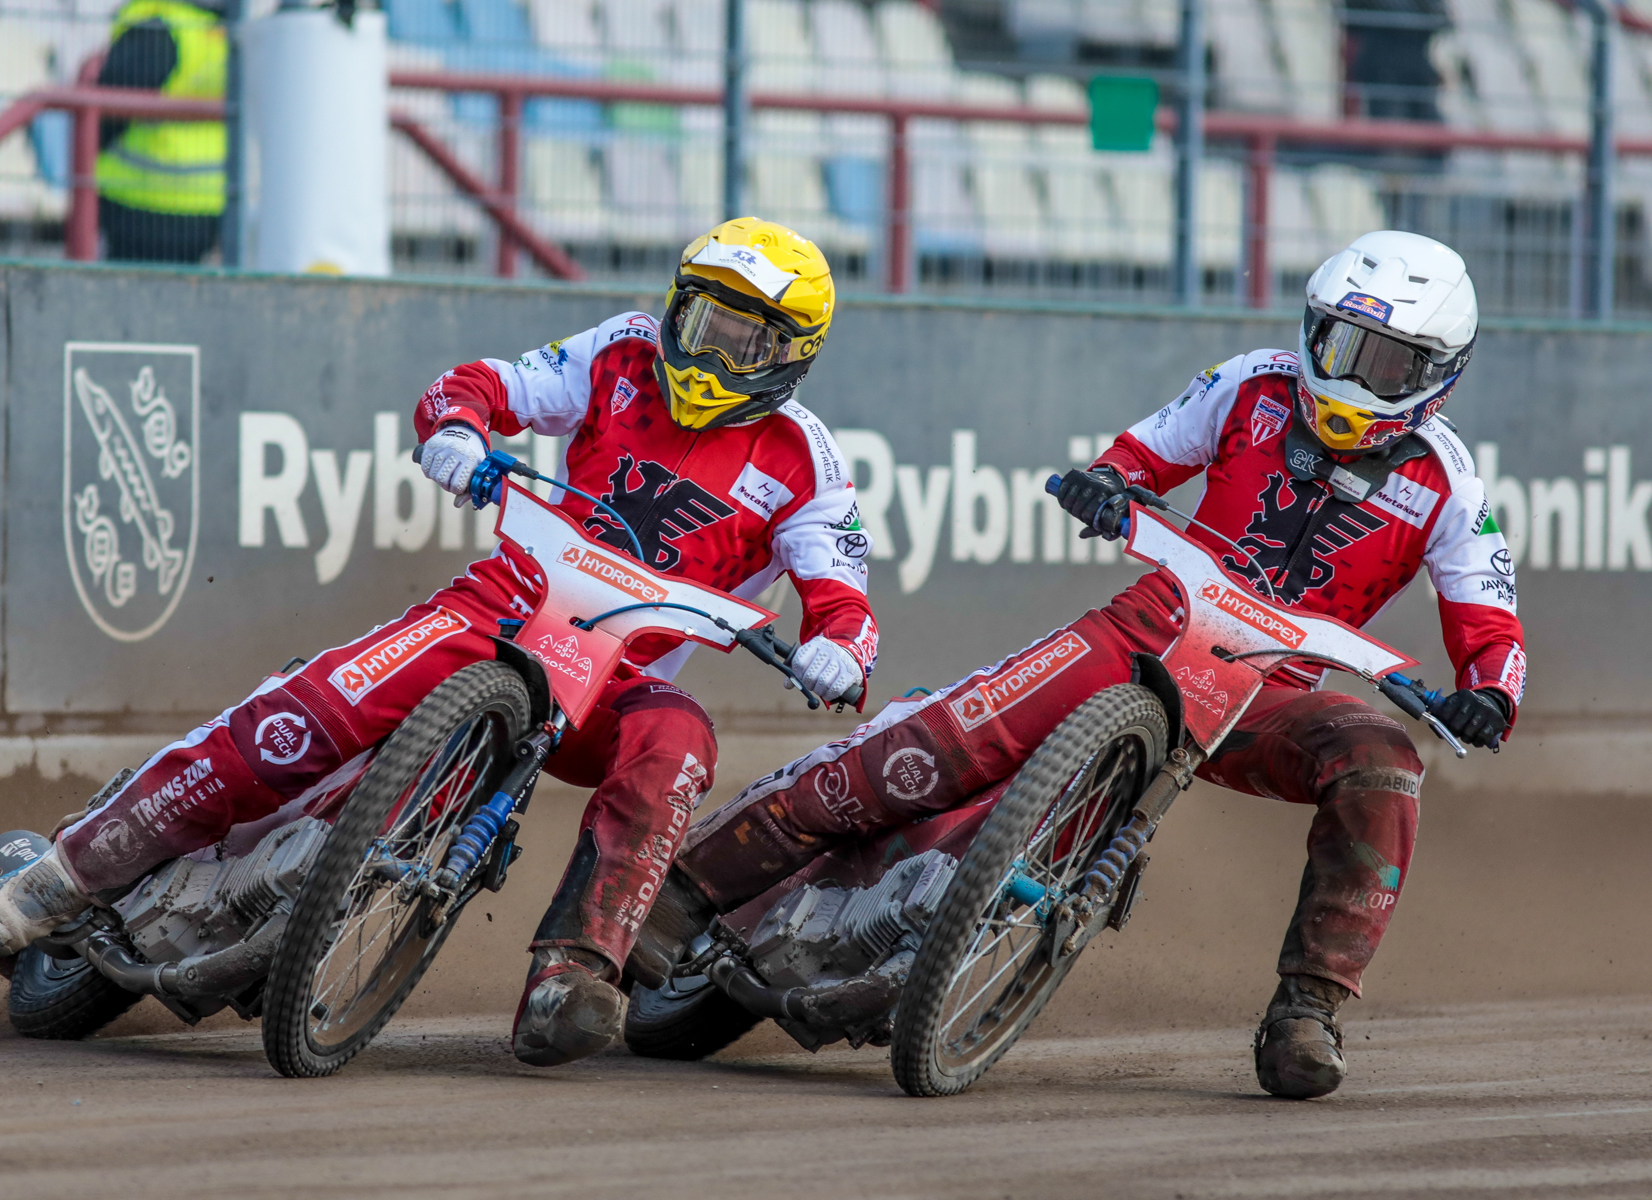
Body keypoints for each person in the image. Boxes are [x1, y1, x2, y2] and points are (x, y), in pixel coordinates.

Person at [636, 230, 1523, 1100]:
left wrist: (1489, 692)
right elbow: (1143, 453)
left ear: (1439, 375)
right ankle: (687, 889)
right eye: (1340, 342)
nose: (1352, 375)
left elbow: (1492, 620)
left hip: (1270, 695)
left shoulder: (1451, 485)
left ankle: (1307, 1013)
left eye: (1387, 363)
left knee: (1384, 761)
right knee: (935, 747)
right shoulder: (1251, 384)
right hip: (1145, 630)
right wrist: (1105, 479)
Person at [0, 218, 880, 1067]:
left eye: (740, 337)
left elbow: (844, 596)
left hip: (622, 677)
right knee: (308, 716)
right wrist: (454, 428)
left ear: (788, 355)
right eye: (700, 316)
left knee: (680, 742)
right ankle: (67, 871)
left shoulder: (806, 461)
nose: (705, 345)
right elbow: (483, 384)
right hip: (502, 606)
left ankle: (573, 976)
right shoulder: (625, 351)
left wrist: (840, 648)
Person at [94, 0, 226, 263]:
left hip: (138, 201)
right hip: (206, 203)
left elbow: (105, 109)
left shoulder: (161, 27)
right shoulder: (222, 30)